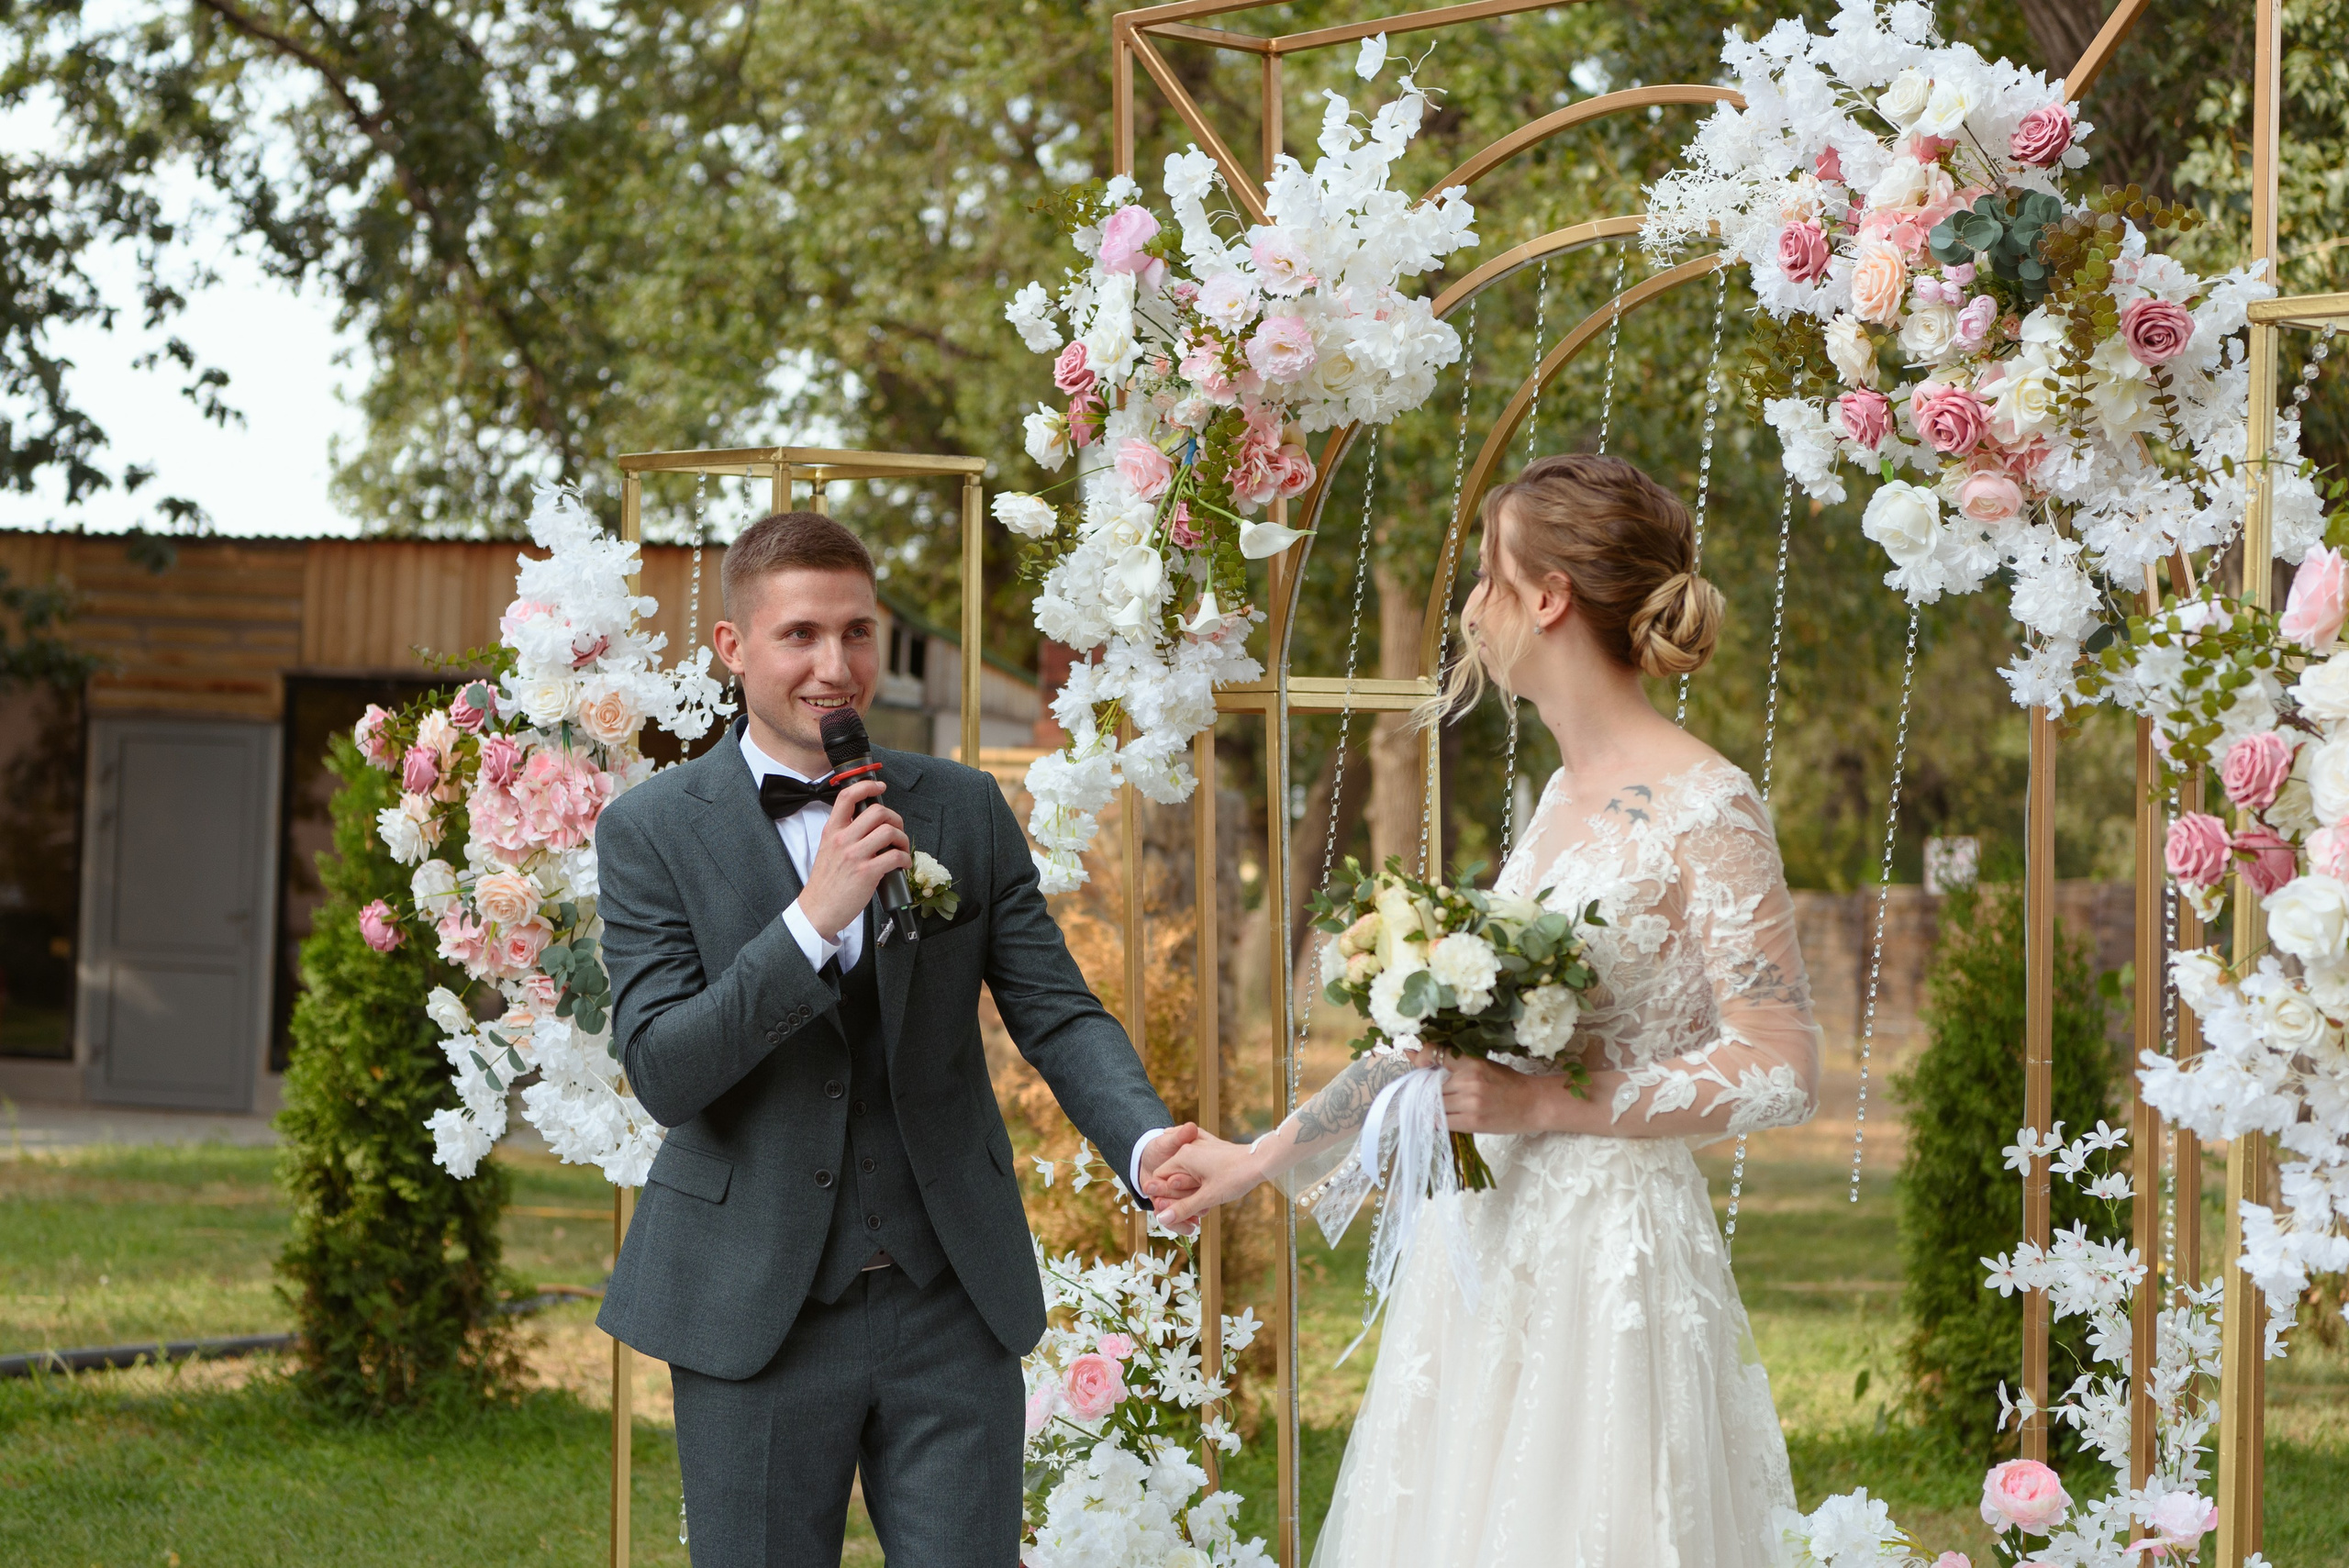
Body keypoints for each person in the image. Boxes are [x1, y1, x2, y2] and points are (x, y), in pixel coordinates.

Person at [1146, 453, 1821, 1567]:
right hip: (1490, 1241)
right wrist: (1260, 1156)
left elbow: (1780, 1061)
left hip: (1610, 1254)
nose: (1470, 606)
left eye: (1486, 578)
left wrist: (1557, 1101)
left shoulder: (1710, 803)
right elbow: (1439, 1049)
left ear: (1547, 596)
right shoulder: (1560, 793)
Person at [593, 510, 1198, 1567]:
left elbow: (1055, 1009)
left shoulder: (962, 807)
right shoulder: (650, 830)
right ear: (734, 648)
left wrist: (1145, 1146)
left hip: (948, 1294)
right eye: (801, 635)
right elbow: (662, 1066)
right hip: (753, 1306)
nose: (836, 666)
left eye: (858, 632)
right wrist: (808, 922)